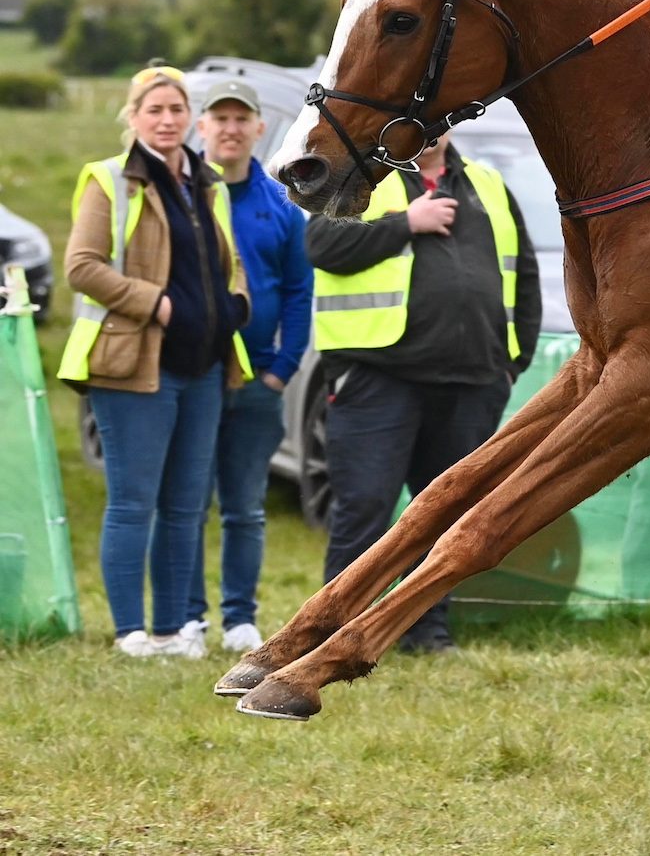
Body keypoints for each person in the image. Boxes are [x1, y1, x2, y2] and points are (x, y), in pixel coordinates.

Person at [306, 137, 539, 652]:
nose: (431, 132)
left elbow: (523, 275)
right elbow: (322, 248)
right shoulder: (362, 180)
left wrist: (510, 364)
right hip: (377, 377)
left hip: (470, 382)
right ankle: (333, 636)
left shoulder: (488, 185)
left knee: (444, 518)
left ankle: (426, 632)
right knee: (364, 510)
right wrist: (405, 223)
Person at [59, 63, 251, 657]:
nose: (166, 121)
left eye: (175, 110)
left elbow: (228, 258)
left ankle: (173, 631)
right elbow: (82, 266)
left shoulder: (206, 181)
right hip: (133, 366)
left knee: (186, 505)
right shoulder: (110, 179)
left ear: (189, 118)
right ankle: (130, 633)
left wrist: (237, 300)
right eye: (154, 111)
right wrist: (157, 305)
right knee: (133, 502)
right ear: (133, 118)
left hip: (204, 367)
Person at [182, 79, 312, 654]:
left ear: (259, 130)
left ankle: (239, 618)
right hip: (195, 375)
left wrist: (282, 368)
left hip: (259, 377)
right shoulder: (181, 196)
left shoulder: (279, 204)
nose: (230, 129)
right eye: (219, 119)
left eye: (242, 120)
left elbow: (298, 292)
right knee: (187, 503)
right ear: (201, 127)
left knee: (244, 508)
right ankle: (187, 617)